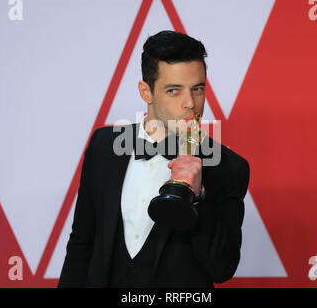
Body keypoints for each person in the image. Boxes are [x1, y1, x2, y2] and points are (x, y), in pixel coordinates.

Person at [58, 30, 250, 288]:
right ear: (146, 92)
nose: (190, 103)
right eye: (174, 90)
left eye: (198, 89)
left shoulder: (228, 167)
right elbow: (81, 243)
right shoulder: (104, 147)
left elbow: (222, 268)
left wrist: (198, 196)